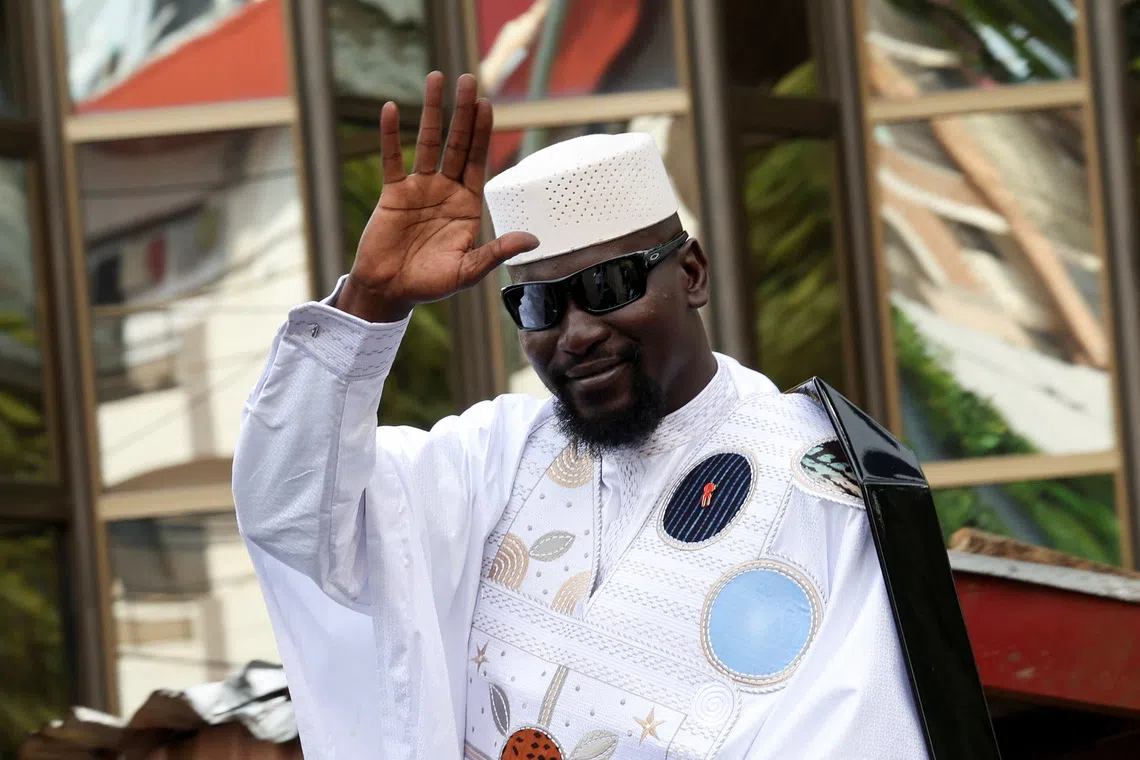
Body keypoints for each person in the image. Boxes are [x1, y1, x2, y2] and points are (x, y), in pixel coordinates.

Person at [232, 72, 927, 759]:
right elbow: (291, 516)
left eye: (608, 285)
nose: (577, 332)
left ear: (691, 274)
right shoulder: (493, 460)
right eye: (539, 305)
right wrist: (370, 304)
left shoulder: (821, 488)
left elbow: (856, 733)